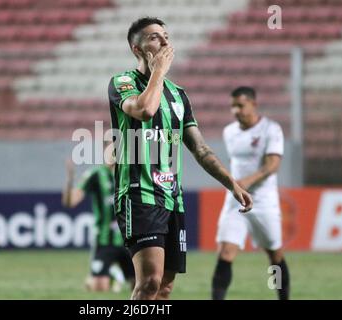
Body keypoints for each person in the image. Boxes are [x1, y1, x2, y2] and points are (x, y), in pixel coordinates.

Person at [108, 17, 253, 300]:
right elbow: (145, 110)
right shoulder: (123, 82)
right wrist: (158, 72)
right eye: (153, 37)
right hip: (139, 195)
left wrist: (231, 183)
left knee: (164, 287)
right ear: (136, 49)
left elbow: (200, 149)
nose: (163, 41)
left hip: (172, 198)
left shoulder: (178, 95)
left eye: (165, 36)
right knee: (149, 282)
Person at [211, 86, 290, 300]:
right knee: (225, 253)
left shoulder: (271, 129)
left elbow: (273, 165)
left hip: (264, 202)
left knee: (275, 254)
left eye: (240, 105)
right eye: (233, 106)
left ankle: (283, 297)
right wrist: (237, 187)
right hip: (235, 201)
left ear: (253, 104)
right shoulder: (229, 132)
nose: (236, 110)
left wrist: (244, 182)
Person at [62, 157, 135, 292]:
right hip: (104, 240)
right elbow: (70, 202)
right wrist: (69, 181)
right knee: (99, 289)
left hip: (129, 239)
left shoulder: (131, 172)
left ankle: (113, 273)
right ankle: (108, 274)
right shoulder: (95, 174)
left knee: (142, 285)